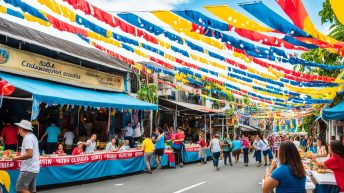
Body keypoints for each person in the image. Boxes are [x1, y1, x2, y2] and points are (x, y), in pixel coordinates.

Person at [12, 120, 40, 193]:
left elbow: (29, 154)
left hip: (28, 168)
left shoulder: (28, 138)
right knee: (31, 190)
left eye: (18, 128)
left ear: (21, 128)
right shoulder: (32, 136)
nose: (18, 130)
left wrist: (15, 158)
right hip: (33, 167)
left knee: (20, 189)